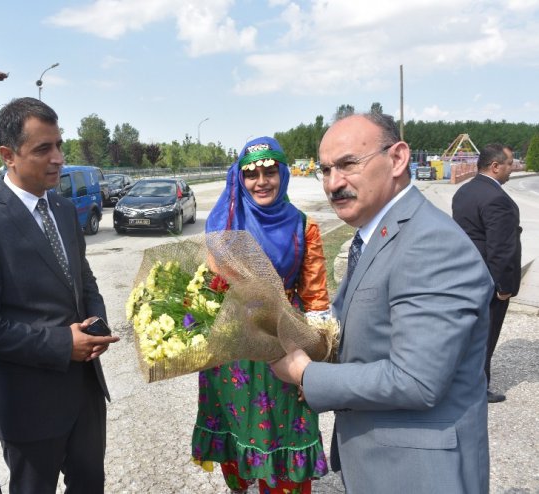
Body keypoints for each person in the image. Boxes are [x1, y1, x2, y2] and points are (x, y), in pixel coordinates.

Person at [270, 113, 493, 493]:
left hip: (418, 473)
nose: (333, 183)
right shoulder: (377, 234)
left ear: (398, 158)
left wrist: (305, 374)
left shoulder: (430, 243)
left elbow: (416, 380)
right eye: (325, 170)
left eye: (348, 164)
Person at [0, 97, 120, 494]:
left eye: (59, 145)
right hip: (29, 405)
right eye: (43, 149)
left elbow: (83, 277)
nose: (58, 158)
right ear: (7, 155)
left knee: (91, 483)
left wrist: (96, 326)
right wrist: (63, 343)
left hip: (85, 392)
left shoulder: (60, 208)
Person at [192, 136, 331, 493]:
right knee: (236, 430)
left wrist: (315, 362)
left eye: (270, 172)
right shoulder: (224, 223)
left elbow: (315, 300)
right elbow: (208, 287)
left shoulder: (304, 226)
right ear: (240, 179)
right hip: (232, 348)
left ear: (283, 175)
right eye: (253, 175)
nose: (262, 182)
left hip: (282, 344)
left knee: (283, 430)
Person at [451, 143, 522, 403]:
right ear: (495, 166)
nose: (512, 169)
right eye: (509, 164)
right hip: (489, 281)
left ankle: (460, 380)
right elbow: (500, 249)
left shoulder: (464, 191)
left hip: (464, 275)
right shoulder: (497, 199)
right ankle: (477, 388)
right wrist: (504, 286)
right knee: (486, 335)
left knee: (469, 334)